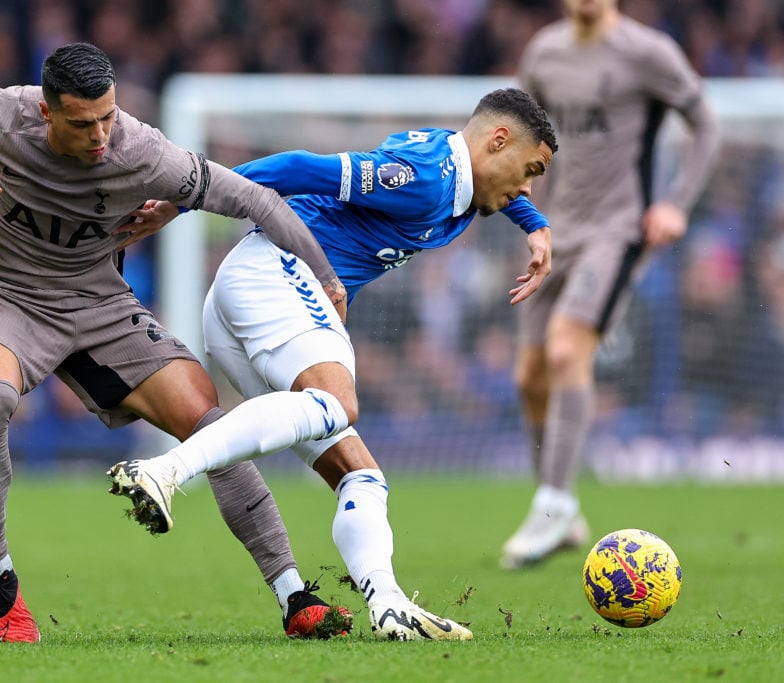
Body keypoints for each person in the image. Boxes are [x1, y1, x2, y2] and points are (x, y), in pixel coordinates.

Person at [0, 42, 354, 643]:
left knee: (209, 423)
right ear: (46, 112)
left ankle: (294, 595)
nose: (100, 137)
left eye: (108, 117)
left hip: (102, 306)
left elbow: (257, 200)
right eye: (83, 123)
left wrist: (326, 278)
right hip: (11, 296)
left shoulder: (143, 151)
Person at [108, 88, 557, 641]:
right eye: (531, 171)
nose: (527, 187)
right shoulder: (423, 178)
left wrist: (534, 223)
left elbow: (496, 185)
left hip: (244, 294)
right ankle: (165, 470)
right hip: (278, 271)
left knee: (361, 476)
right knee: (337, 403)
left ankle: (389, 606)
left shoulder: (462, 172)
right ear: (499, 140)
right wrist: (180, 203)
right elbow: (295, 167)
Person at [500, 0, 721, 569]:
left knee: (567, 349)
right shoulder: (545, 53)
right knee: (529, 376)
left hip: (618, 228)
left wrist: (675, 204)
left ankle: (549, 507)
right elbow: (521, 138)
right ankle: (564, 510)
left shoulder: (648, 52)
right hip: (556, 229)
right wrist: (528, 216)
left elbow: (705, 124)